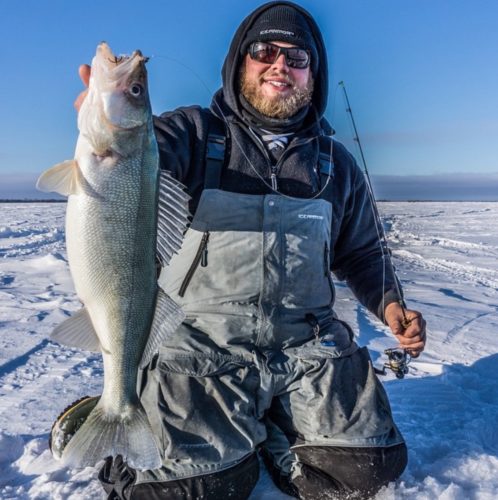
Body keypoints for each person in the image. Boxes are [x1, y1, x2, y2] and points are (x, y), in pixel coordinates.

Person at [75, 2, 426, 498]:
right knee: (192, 487)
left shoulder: (334, 165)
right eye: (264, 51)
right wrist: (113, 128)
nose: (280, 64)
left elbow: (364, 252)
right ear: (241, 61)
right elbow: (135, 161)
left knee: (369, 466)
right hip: (202, 345)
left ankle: (274, 426)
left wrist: (390, 304)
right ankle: (161, 422)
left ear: (313, 74)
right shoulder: (191, 135)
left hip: (306, 347)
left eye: (297, 56)